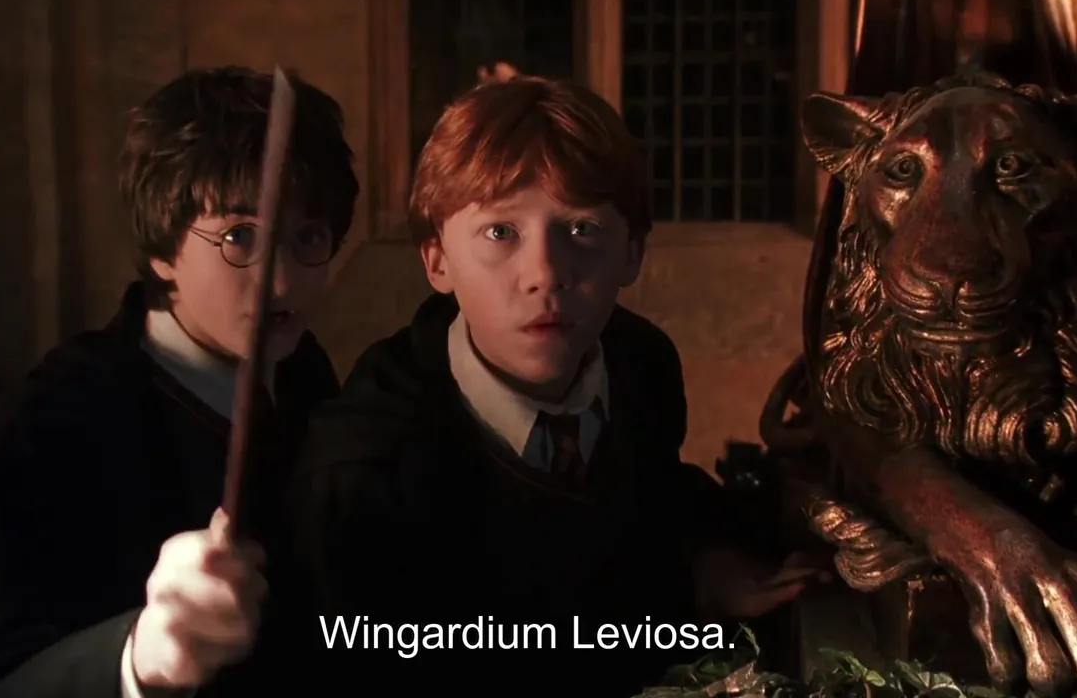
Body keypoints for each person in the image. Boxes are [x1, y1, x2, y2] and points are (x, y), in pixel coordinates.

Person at [287, 76, 825, 697]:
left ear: (632, 253)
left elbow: (647, 505)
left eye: (581, 230)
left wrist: (708, 563)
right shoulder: (364, 472)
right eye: (500, 232)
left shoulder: (638, 365)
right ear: (437, 259)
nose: (544, 274)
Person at [0, 66, 358, 698]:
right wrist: (138, 656)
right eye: (240, 236)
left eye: (308, 237)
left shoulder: (301, 367)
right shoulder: (61, 420)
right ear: (162, 249)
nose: (282, 281)